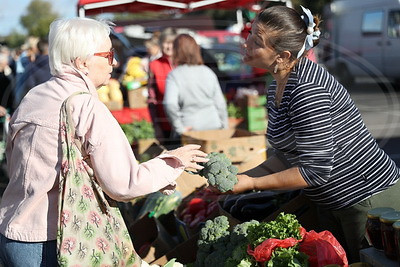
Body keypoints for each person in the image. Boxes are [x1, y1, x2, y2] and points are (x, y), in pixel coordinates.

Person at [0, 17, 208, 266]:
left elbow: (15, 164)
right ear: (82, 62)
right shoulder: (85, 105)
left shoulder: (35, 96)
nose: (116, 62)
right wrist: (174, 162)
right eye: (109, 55)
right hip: (55, 240)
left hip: (13, 231)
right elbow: (122, 184)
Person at [227, 5, 400, 263]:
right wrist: (241, 178)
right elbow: (287, 157)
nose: (247, 43)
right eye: (250, 35)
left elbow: (315, 171)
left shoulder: (308, 91)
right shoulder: (278, 84)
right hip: (331, 201)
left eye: (256, 41)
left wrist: (252, 184)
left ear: (282, 56)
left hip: (366, 201)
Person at [163, 34, 228, 140]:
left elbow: (169, 104)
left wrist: (179, 128)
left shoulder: (174, 75)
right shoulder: (208, 72)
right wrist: (225, 128)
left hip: (190, 129)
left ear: (177, 51)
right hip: (214, 126)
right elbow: (220, 103)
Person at [148, 27, 177, 147]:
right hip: (164, 121)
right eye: (166, 42)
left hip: (186, 121)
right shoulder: (154, 65)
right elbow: (151, 98)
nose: (169, 46)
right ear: (160, 44)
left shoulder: (183, 63)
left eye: (173, 43)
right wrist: (156, 125)